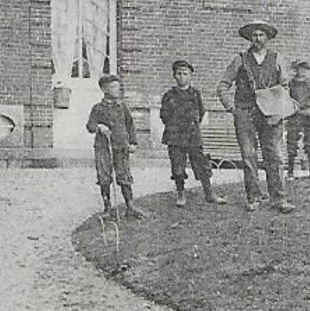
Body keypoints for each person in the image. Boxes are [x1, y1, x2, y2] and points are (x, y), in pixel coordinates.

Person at [217, 21, 295, 213]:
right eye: (254, 35)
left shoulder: (277, 59)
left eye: (261, 35)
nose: (257, 39)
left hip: (272, 115)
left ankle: (279, 198)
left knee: (275, 157)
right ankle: (254, 198)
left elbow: (285, 87)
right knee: (248, 156)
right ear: (249, 38)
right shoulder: (240, 60)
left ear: (267, 38)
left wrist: (280, 111)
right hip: (246, 114)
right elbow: (222, 86)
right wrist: (232, 107)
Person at [159, 60, 227, 208]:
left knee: (202, 164)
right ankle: (181, 193)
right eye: (179, 73)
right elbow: (164, 115)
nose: (182, 76)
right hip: (175, 136)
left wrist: (192, 125)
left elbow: (201, 112)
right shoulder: (169, 95)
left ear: (190, 76)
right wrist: (176, 126)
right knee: (177, 166)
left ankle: (209, 193)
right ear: (174, 76)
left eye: (185, 74)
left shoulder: (195, 94)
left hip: (193, 135)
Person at [88, 74, 145, 219]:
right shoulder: (98, 108)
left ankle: (130, 206)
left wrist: (133, 142)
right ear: (104, 89)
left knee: (124, 175)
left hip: (121, 146)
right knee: (104, 177)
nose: (117, 90)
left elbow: (130, 125)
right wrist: (99, 126)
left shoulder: (122, 107)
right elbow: (90, 126)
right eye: (113, 87)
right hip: (103, 147)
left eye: (117, 86)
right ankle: (107, 208)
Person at [284, 59, 310, 178]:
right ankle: (290, 171)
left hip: (308, 118)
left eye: (305, 69)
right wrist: (292, 110)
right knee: (291, 144)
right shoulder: (290, 85)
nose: (303, 71)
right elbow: (285, 101)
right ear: (296, 70)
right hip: (294, 117)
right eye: (301, 69)